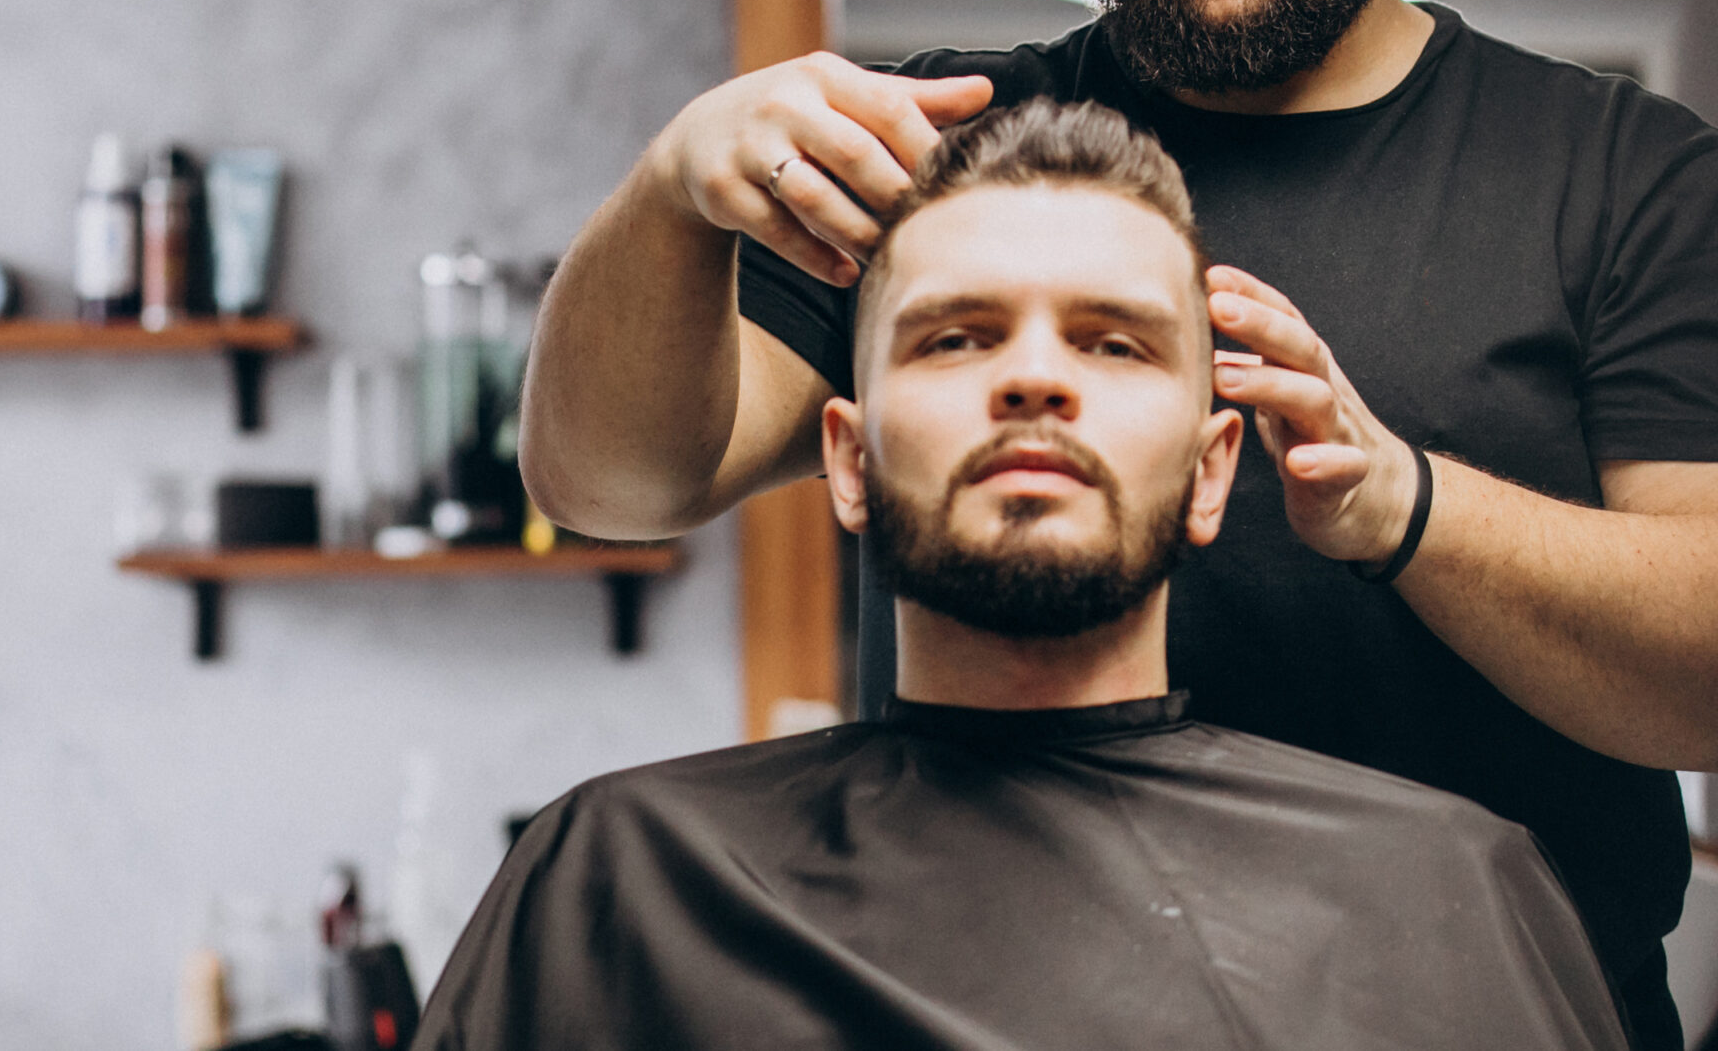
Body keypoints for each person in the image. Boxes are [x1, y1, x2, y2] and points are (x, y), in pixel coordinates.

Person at [522, 0, 1718, 1049]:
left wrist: (1403, 508)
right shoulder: (952, 154)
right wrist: (673, 189)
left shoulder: (1627, 179)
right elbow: (608, 479)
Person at [423, 103, 1630, 1051]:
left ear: (1214, 471)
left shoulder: (1442, 893)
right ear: (849, 458)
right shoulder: (630, 880)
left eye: (1113, 342)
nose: (1034, 380)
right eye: (956, 336)